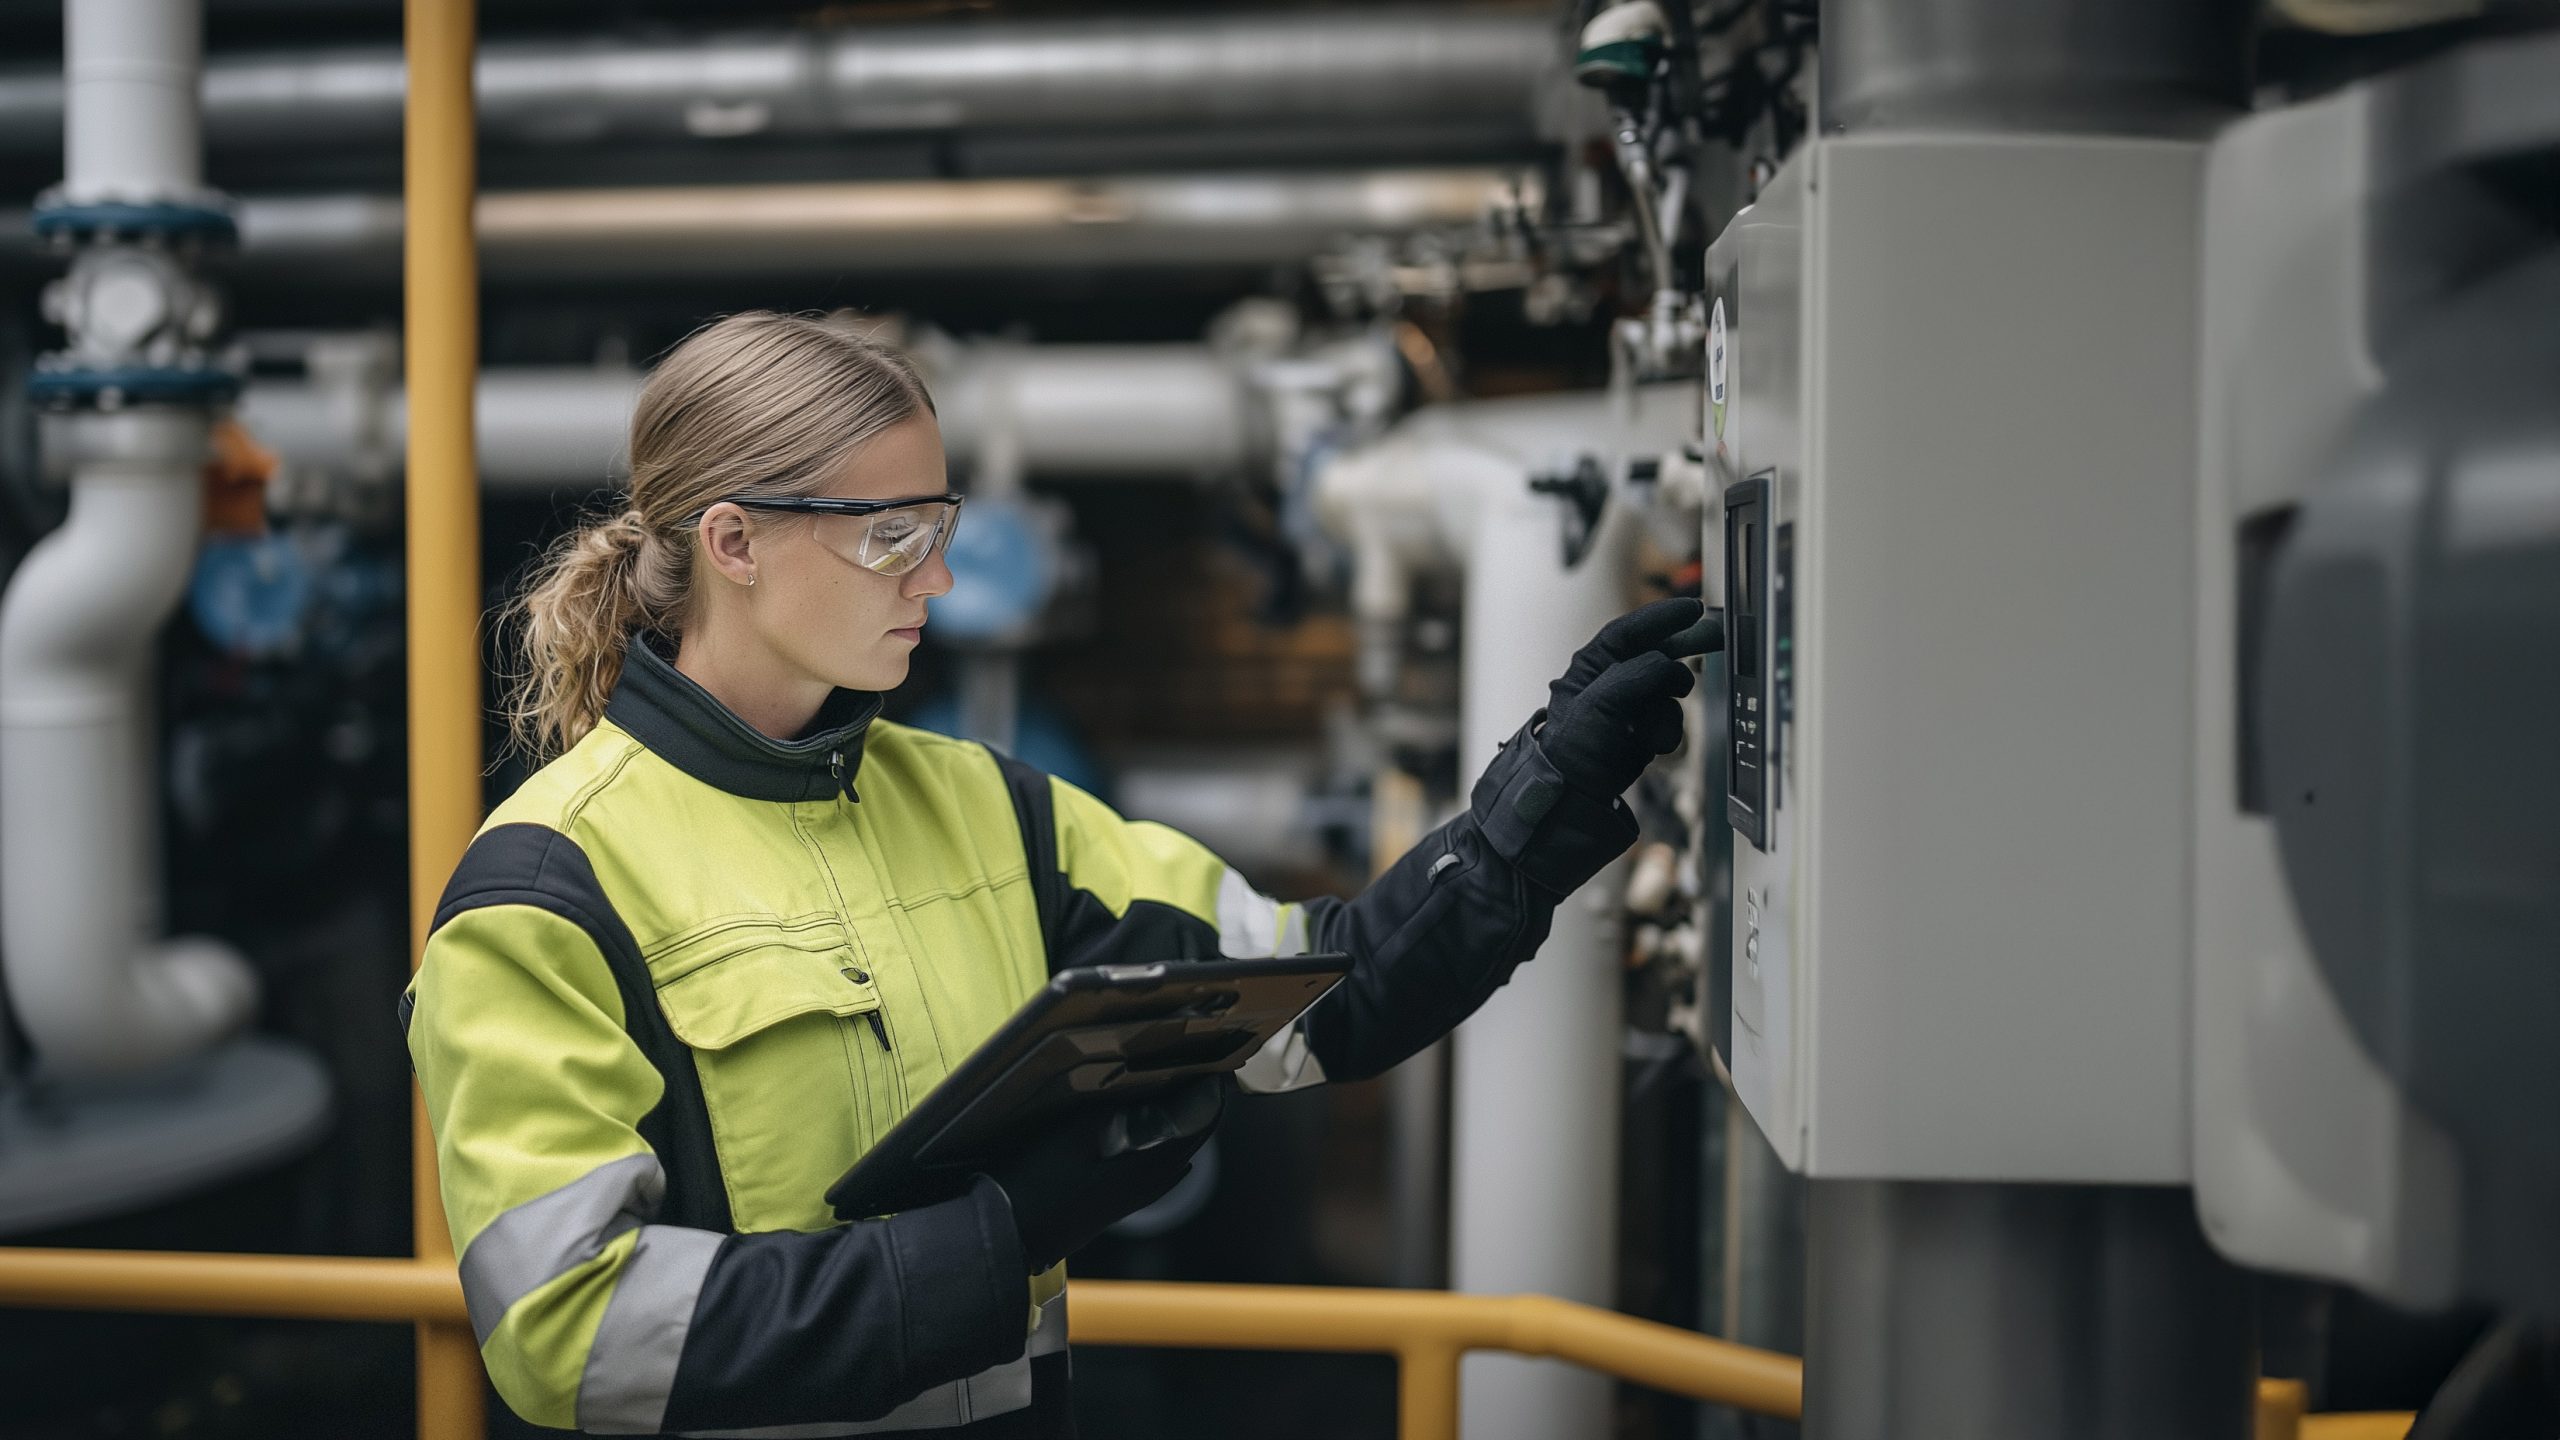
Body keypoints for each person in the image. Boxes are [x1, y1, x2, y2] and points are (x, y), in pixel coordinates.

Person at [404, 311, 1721, 1438]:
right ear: (734, 543)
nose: (939, 576)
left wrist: (1536, 802)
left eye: (940, 524)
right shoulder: (549, 890)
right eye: (891, 535)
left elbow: (1327, 993)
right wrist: (999, 1235)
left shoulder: (990, 808)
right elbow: (567, 1330)